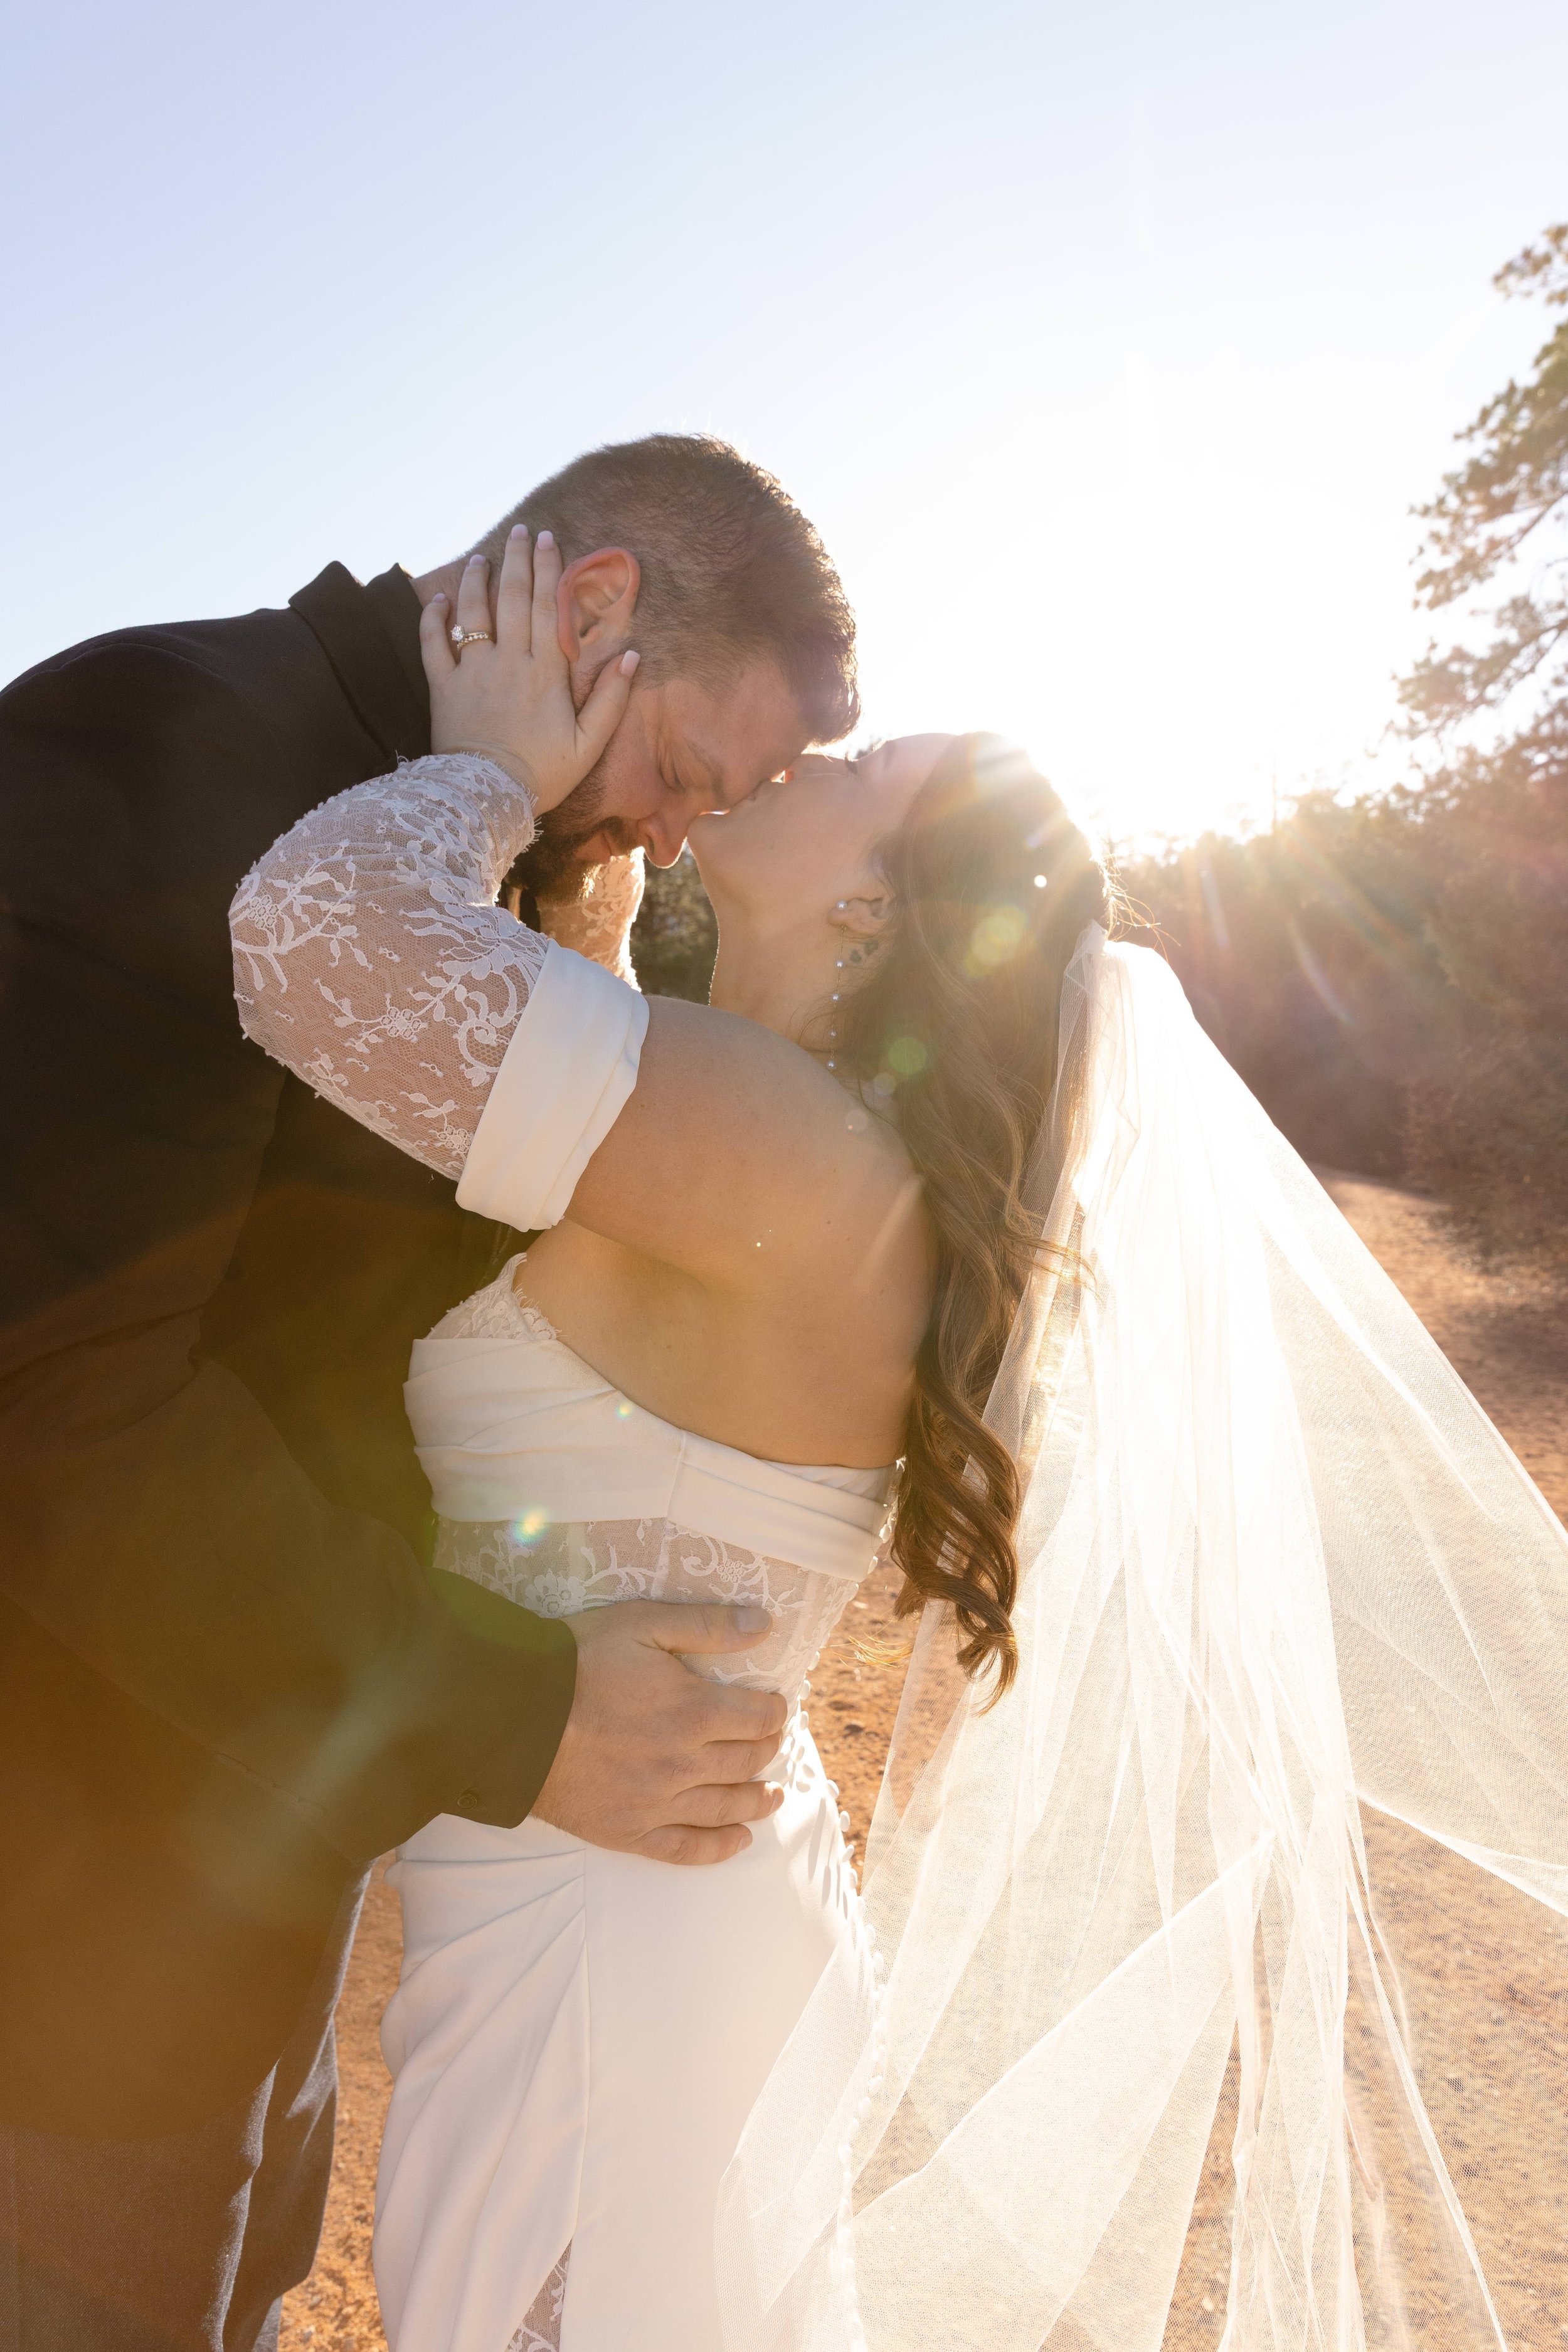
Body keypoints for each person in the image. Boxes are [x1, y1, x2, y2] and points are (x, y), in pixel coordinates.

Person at [238, 529, 1568, 2352]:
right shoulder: (773, 1127)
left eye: (862, 773)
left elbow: (311, 942)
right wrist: (600, 930)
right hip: (645, 1910)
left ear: (875, 915)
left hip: (618, 1970)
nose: (807, 765)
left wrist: (490, 765)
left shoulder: (780, 1146)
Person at [0, 435, 856, 2352]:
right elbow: (56, 1408)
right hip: (58, 1939)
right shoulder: (160, 741)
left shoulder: (471, 866)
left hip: (254, 1876)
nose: (673, 836)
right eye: (685, 775)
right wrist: (516, 1711)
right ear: (598, 607)